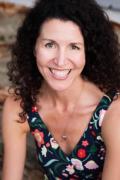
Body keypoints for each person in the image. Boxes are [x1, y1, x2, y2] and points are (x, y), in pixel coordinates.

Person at [2, 0, 120, 179]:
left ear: (87, 52)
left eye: (74, 47)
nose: (60, 61)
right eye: (49, 44)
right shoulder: (19, 107)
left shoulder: (112, 111)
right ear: (34, 47)